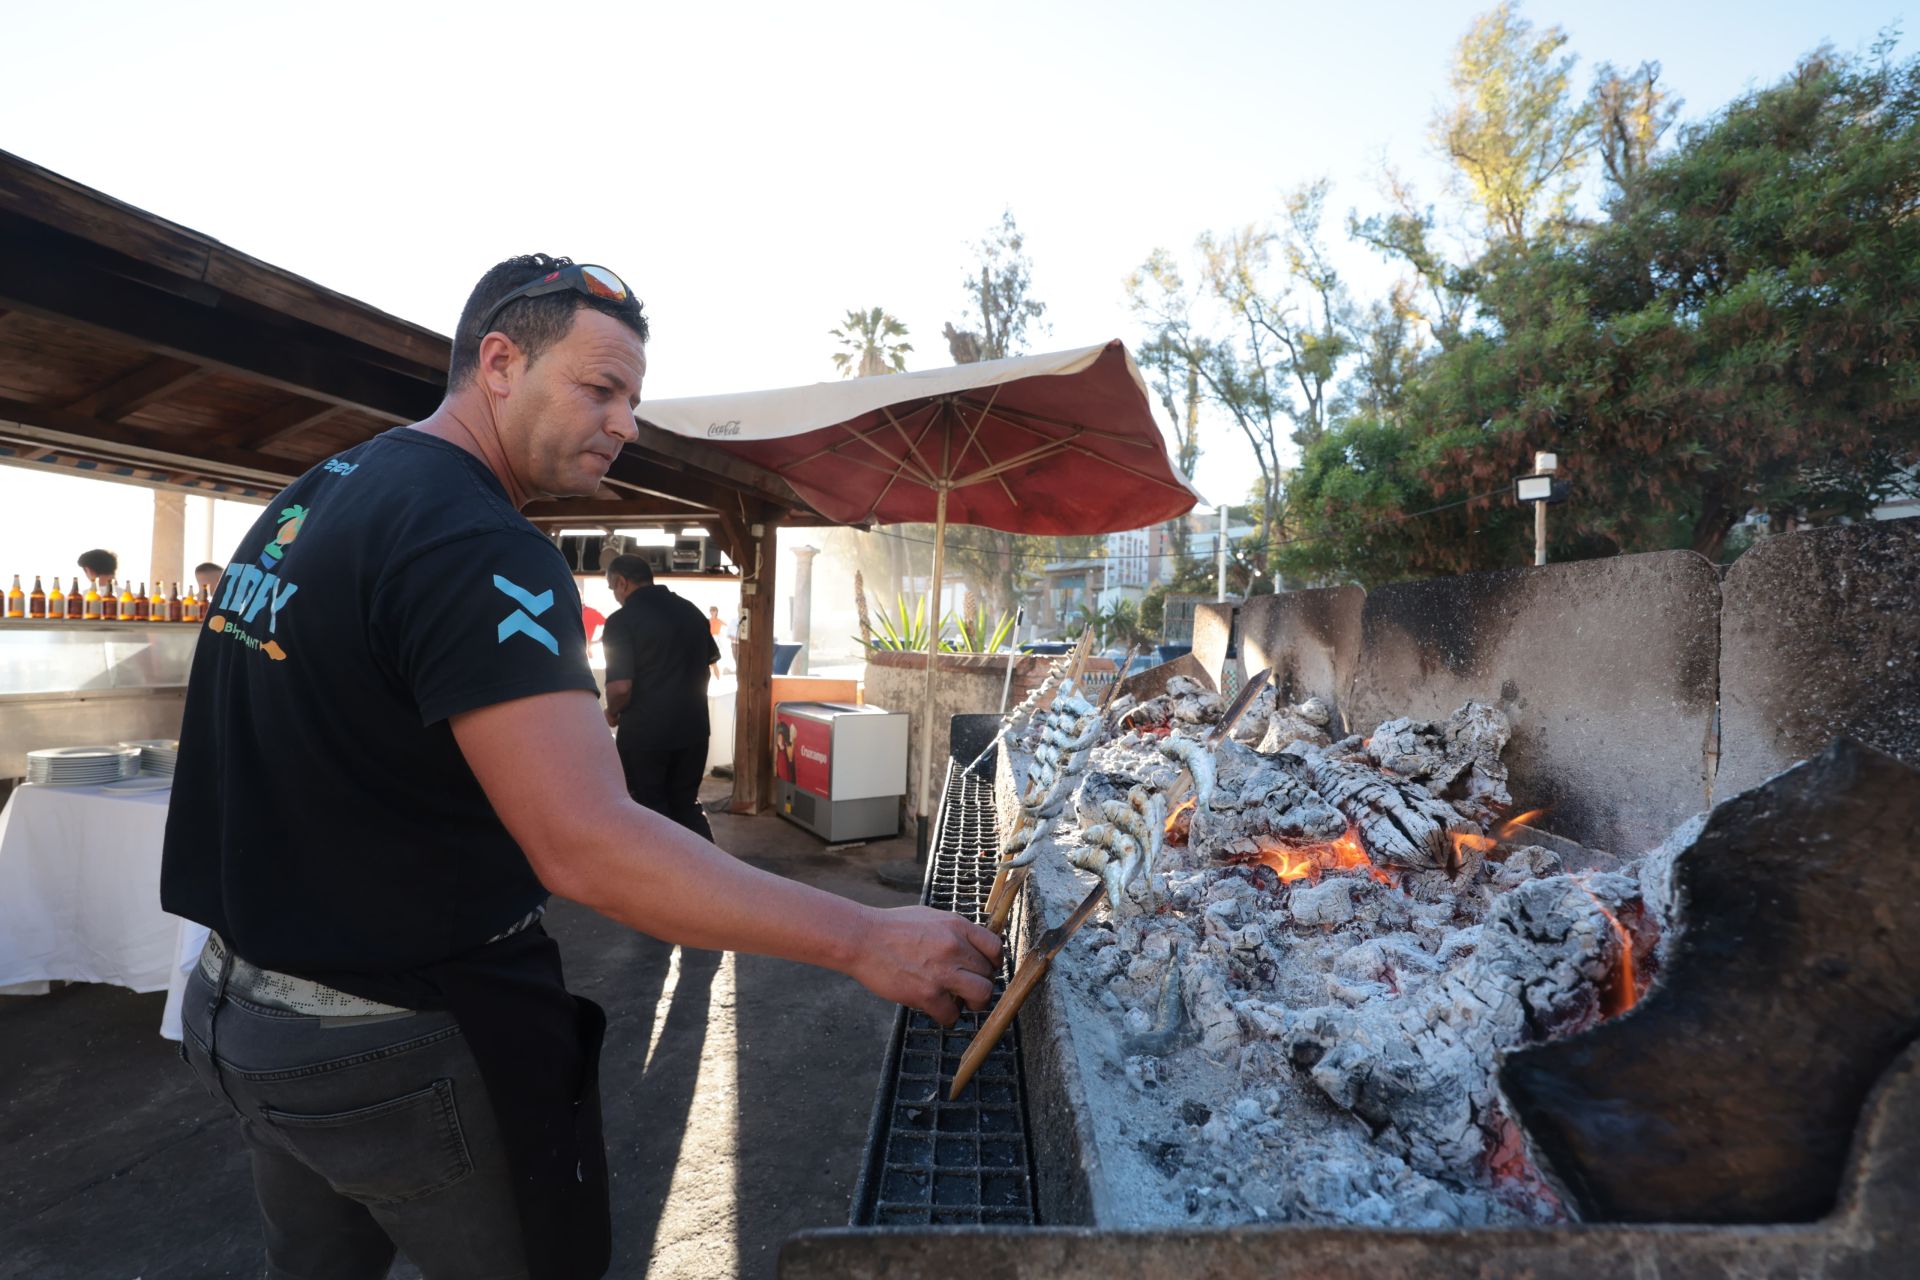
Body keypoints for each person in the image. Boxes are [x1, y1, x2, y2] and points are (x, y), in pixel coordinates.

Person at [160, 254, 999, 1280]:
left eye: (632, 398)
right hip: (392, 1042)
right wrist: (865, 936)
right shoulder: (480, 542)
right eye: (599, 388)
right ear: (500, 362)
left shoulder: (326, 488)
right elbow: (588, 843)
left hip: (238, 1013)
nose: (626, 422)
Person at [600, 554, 718, 838]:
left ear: (621, 582)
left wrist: (612, 712)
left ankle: (658, 879)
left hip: (646, 735)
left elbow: (620, 687)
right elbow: (708, 664)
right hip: (694, 730)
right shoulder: (691, 612)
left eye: (613, 589)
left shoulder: (621, 621)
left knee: (649, 810)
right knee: (686, 806)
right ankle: (709, 876)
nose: (615, 596)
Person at [706, 604, 724, 678]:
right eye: (711, 610)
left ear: (717, 612)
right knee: (710, 662)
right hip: (709, 639)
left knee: (713, 661)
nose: (713, 612)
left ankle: (718, 678)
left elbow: (727, 628)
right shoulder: (707, 620)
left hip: (716, 639)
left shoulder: (719, 621)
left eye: (714, 610)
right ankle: (715, 677)